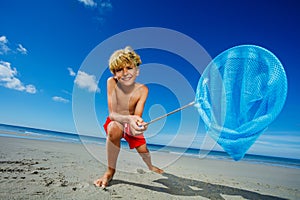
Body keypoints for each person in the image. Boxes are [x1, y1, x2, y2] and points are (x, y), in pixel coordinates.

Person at [94, 46, 163, 188]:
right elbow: (112, 114)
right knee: (114, 128)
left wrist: (138, 123)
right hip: (117, 120)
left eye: (129, 68)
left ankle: (150, 165)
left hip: (131, 124)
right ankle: (110, 171)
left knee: (144, 151)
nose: (125, 73)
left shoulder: (143, 90)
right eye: (119, 70)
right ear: (114, 74)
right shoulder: (111, 82)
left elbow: (137, 115)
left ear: (136, 71)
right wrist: (128, 119)